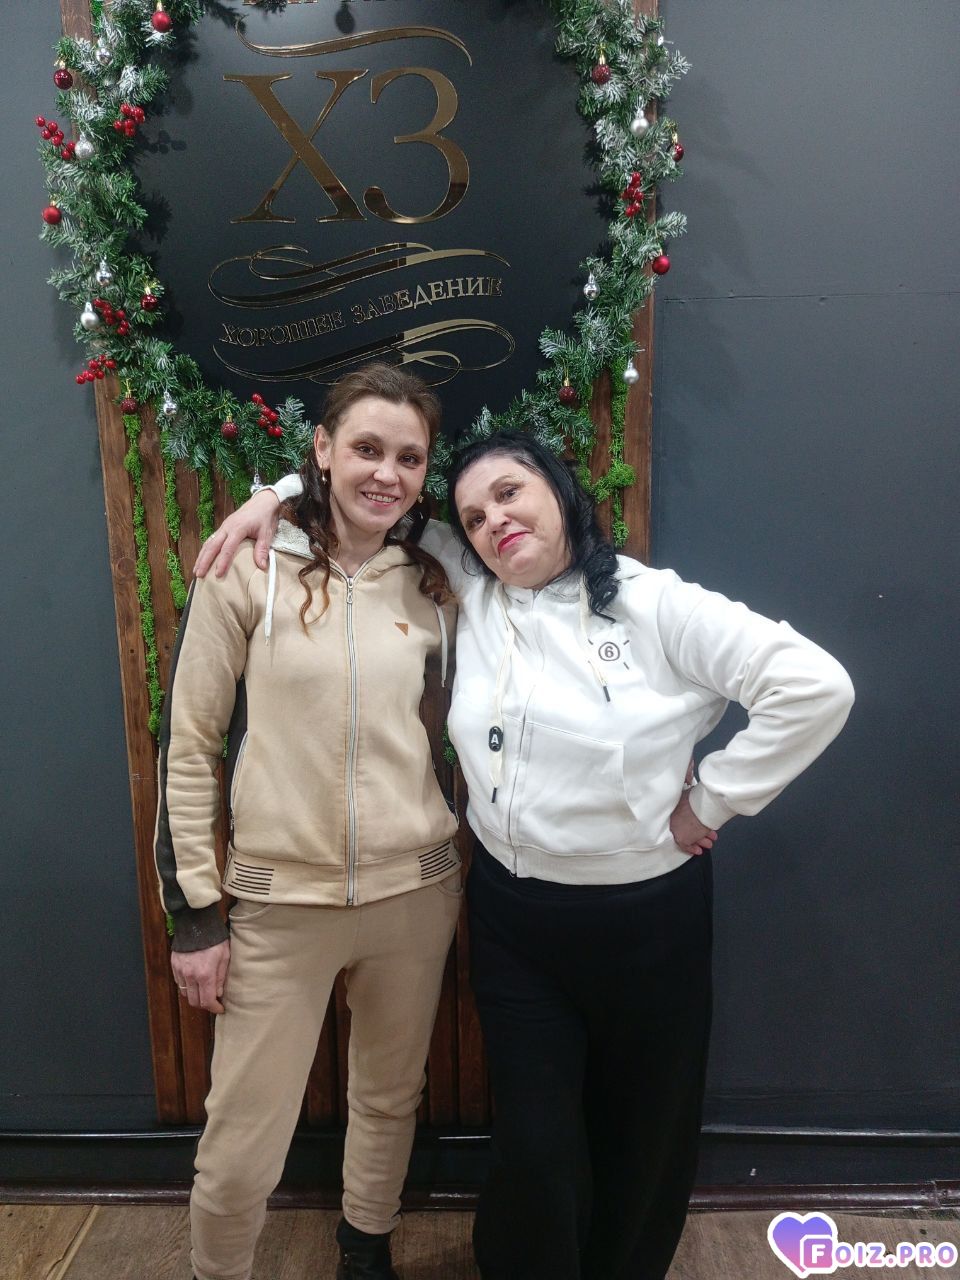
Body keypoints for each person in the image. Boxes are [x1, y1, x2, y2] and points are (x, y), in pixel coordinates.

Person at [198, 427, 854, 1280]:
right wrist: (275, 494)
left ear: (560, 491)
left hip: (646, 919)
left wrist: (712, 799)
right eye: (473, 516)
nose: (492, 522)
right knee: (536, 1144)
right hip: (514, 917)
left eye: (509, 494)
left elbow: (814, 686)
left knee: (643, 1131)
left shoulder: (655, 604)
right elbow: (383, 500)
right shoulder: (473, 585)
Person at [156, 363, 464, 1280]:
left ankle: (365, 1248)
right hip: (278, 903)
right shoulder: (247, 569)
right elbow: (189, 744)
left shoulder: (436, 580)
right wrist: (195, 914)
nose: (387, 473)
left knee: (390, 1097)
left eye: (409, 457)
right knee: (242, 1136)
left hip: (416, 895)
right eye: (366, 448)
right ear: (322, 450)